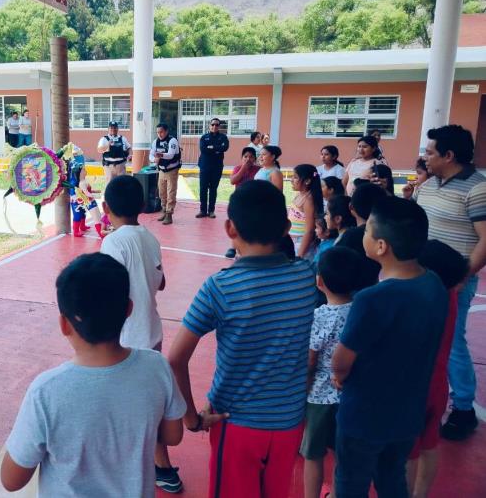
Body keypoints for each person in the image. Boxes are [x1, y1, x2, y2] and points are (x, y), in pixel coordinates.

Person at [169, 180, 318, 498]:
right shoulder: (306, 276)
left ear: (229, 228)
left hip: (236, 425)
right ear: (286, 228)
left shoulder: (219, 288)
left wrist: (192, 419)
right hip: (289, 423)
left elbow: (175, 359)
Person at [0, 253, 186, 497]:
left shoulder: (46, 392)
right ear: (129, 309)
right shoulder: (157, 367)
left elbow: (11, 480)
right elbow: (173, 435)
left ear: (64, 324)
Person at [332, 197, 448, 498]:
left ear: (381, 246)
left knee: (350, 482)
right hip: (408, 412)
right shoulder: (434, 284)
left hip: (364, 414)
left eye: (369, 230)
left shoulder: (372, 299)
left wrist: (339, 377)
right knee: (392, 478)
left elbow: (341, 361)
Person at [99, 175, 181, 493]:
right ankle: (163, 467)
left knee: (124, 406)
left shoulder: (113, 243)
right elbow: (160, 282)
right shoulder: (149, 238)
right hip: (151, 332)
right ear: (144, 206)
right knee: (149, 402)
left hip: (125, 337)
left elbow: (107, 289)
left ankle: (151, 467)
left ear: (106, 208)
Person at [416, 124, 486, 440]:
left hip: (454, 281)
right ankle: (424, 399)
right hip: (420, 276)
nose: (424, 157)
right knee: (421, 338)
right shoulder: (429, 185)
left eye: (430, 152)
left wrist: (462, 276)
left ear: (449, 155)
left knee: (452, 341)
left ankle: (463, 409)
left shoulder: (477, 188)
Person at [407, 240, 468, 498]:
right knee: (429, 445)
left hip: (412, 389)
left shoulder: (420, 303)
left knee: (407, 452)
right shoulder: (450, 295)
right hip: (437, 386)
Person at [301, 246, 359, 498]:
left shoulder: (319, 316)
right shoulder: (361, 311)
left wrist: (302, 390)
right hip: (349, 395)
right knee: (343, 453)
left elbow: (310, 361)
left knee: (312, 454)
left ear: (319, 281)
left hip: (318, 398)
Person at [337, 182, 388, 289]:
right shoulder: (390, 232)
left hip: (354, 291)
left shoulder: (350, 236)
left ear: (351, 207)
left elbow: (335, 264)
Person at [225, 146, 261, 258]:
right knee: (236, 224)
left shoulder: (258, 170)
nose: (248, 159)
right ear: (242, 158)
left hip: (253, 202)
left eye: (251, 157)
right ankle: (233, 247)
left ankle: (250, 246)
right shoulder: (237, 168)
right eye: (245, 156)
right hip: (240, 201)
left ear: (255, 159)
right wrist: (243, 169)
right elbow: (233, 181)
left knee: (251, 225)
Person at [196, 118, 229, 219]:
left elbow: (225, 148)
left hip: (217, 167)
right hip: (205, 166)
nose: (215, 126)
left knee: (213, 189)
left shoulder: (223, 137)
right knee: (203, 189)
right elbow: (203, 149)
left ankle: (211, 211)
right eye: (213, 124)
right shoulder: (204, 137)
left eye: (217, 125)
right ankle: (202, 210)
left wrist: (211, 147)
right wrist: (216, 148)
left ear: (219, 126)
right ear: (209, 126)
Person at [290, 164, 324, 260]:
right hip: (294, 241)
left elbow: (309, 231)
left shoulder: (308, 200)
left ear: (307, 181)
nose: (291, 180)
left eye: (295, 177)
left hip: (301, 244)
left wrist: (300, 255)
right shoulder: (299, 195)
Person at [150, 123, 181, 226]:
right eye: (158, 132)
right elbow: (151, 154)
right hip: (161, 170)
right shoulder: (156, 142)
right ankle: (164, 210)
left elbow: (171, 155)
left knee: (171, 192)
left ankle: (169, 214)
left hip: (172, 170)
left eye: (161, 132)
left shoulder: (172, 141)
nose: (159, 134)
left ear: (166, 131)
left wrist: (160, 155)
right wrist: (154, 159)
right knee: (162, 192)